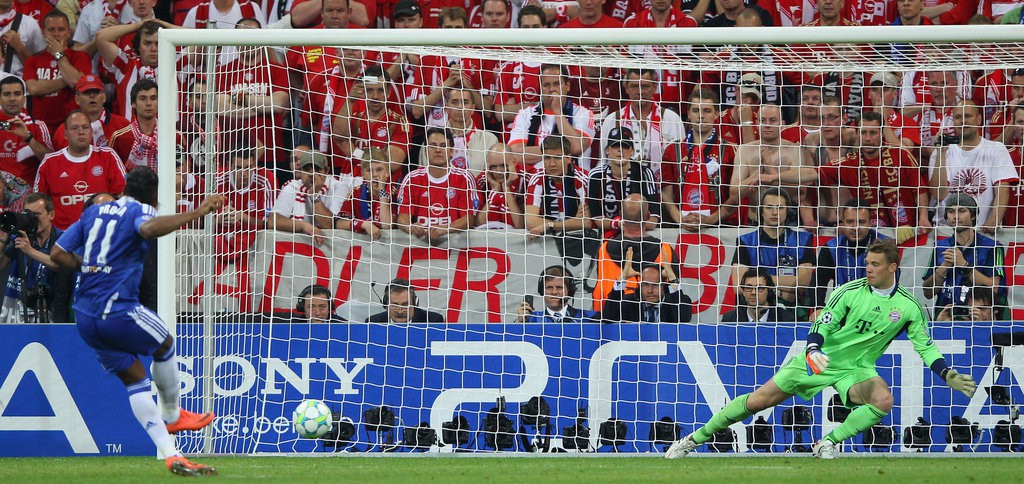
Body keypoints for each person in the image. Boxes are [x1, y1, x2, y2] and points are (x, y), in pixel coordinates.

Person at [665, 239, 978, 460]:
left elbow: (925, 347)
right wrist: (813, 348)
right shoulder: (849, 291)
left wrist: (946, 372)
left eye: (874, 264)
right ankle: (694, 439)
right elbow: (823, 325)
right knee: (759, 401)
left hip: (856, 370)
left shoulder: (908, 307)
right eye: (866, 263)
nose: (867, 269)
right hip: (819, 359)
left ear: (892, 267)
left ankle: (826, 443)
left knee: (883, 399)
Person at [50, 166, 222, 476]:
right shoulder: (141, 210)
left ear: (125, 187)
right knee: (166, 343)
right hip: (116, 308)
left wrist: (91, 268)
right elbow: (148, 229)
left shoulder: (95, 212)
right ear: (154, 195)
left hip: (86, 317)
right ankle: (172, 416)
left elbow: (58, 253)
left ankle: (172, 456)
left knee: (137, 381)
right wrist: (197, 211)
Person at [932, 100, 1018, 235]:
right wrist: (941, 154)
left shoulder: (996, 149)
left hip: (981, 231)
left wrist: (994, 220)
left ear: (978, 119)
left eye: (967, 116)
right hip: (945, 232)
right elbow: (939, 194)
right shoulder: (941, 152)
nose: (962, 121)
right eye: (958, 117)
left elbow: (1002, 189)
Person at [35, 109, 127, 229]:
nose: (81, 132)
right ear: (65, 134)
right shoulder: (49, 162)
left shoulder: (108, 156)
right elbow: (37, 202)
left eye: (85, 127)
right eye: (75, 128)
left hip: (102, 232)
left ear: (91, 131)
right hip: (62, 236)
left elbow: (124, 196)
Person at [922, 193, 1006, 318]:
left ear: (973, 215)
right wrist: (943, 268)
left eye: (961, 211)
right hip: (946, 318)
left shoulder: (991, 247)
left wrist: (964, 265)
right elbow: (928, 293)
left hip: (979, 319)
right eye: (951, 211)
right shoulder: (940, 246)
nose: (955, 216)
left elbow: (994, 288)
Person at [732, 188, 815, 313]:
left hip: (791, 312)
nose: (775, 212)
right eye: (769, 207)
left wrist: (756, 283)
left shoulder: (803, 240)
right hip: (754, 311)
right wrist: (781, 291)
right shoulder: (745, 241)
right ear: (761, 211)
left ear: (788, 211)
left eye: (780, 207)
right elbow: (738, 286)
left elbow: (802, 284)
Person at [395, 127, 480, 242]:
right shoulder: (411, 179)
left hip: (455, 247)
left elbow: (469, 219)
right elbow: (402, 219)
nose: (438, 150)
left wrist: (445, 229)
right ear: (425, 150)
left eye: (443, 146)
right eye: (433, 145)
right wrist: (410, 227)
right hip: (420, 246)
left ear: (451, 151)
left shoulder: (464, 178)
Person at [0, 192, 71, 323]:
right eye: (27, 214)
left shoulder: (63, 239)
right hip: (18, 313)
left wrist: (30, 251)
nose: (31, 218)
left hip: (51, 311)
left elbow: (63, 267)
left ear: (51, 215)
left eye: (36, 214)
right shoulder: (20, 239)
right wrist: (5, 238)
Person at [23, 9, 91, 134]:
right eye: (51, 30)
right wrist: (66, 79)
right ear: (43, 32)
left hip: (72, 126)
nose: (56, 34)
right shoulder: (32, 60)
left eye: (61, 29)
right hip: (41, 127)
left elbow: (77, 82)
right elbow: (34, 89)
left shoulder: (80, 56)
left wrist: (59, 54)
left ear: (68, 32)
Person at [815, 199, 890, 308]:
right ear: (843, 223)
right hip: (841, 309)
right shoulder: (830, 248)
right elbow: (819, 283)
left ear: (870, 223)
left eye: (861, 222)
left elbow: (891, 286)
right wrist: (819, 308)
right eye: (850, 222)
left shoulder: (886, 247)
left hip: (877, 309)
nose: (856, 227)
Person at [601, 255, 692, 324]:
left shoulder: (676, 303)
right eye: (645, 284)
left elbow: (684, 318)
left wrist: (673, 279)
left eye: (655, 285)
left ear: (663, 286)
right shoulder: (630, 303)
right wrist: (623, 278)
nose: (649, 290)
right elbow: (609, 318)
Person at [0, 75, 52, 187]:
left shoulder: (37, 125)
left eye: (17, 94)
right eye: (7, 94)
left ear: (24, 98)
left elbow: (51, 162)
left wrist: (28, 137)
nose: (12, 98)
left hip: (29, 195)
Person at [515, 265, 599, 323]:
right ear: (542, 291)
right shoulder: (531, 319)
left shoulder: (589, 318)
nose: (554, 292)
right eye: (549, 287)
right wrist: (519, 322)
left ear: (569, 291)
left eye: (559, 287)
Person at [109, 79, 159, 171]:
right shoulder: (119, 138)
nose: (149, 103)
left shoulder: (174, 136)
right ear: (133, 104)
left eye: (153, 98)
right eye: (143, 99)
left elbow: (183, 173)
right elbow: (111, 174)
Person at [720, 267, 797, 323]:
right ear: (743, 292)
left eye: (760, 288)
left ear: (769, 291)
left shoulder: (786, 319)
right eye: (749, 288)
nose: (753, 292)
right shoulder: (730, 319)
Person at [366, 278, 444, 323]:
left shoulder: (432, 321)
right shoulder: (373, 323)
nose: (400, 311)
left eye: (405, 305)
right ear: (385, 305)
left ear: (415, 303)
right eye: (394, 305)